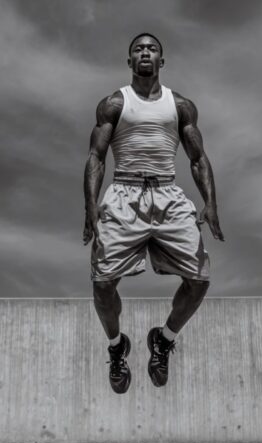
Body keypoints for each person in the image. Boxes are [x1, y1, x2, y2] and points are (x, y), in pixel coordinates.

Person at [82, 33, 224, 394]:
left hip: (168, 194)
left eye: (152, 49)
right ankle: (117, 348)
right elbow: (96, 157)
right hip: (124, 193)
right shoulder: (114, 103)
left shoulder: (180, 105)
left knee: (200, 279)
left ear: (162, 60)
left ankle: (163, 340)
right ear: (130, 61)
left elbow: (197, 158)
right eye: (138, 49)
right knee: (101, 284)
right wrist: (89, 207)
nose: (145, 52)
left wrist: (210, 203)